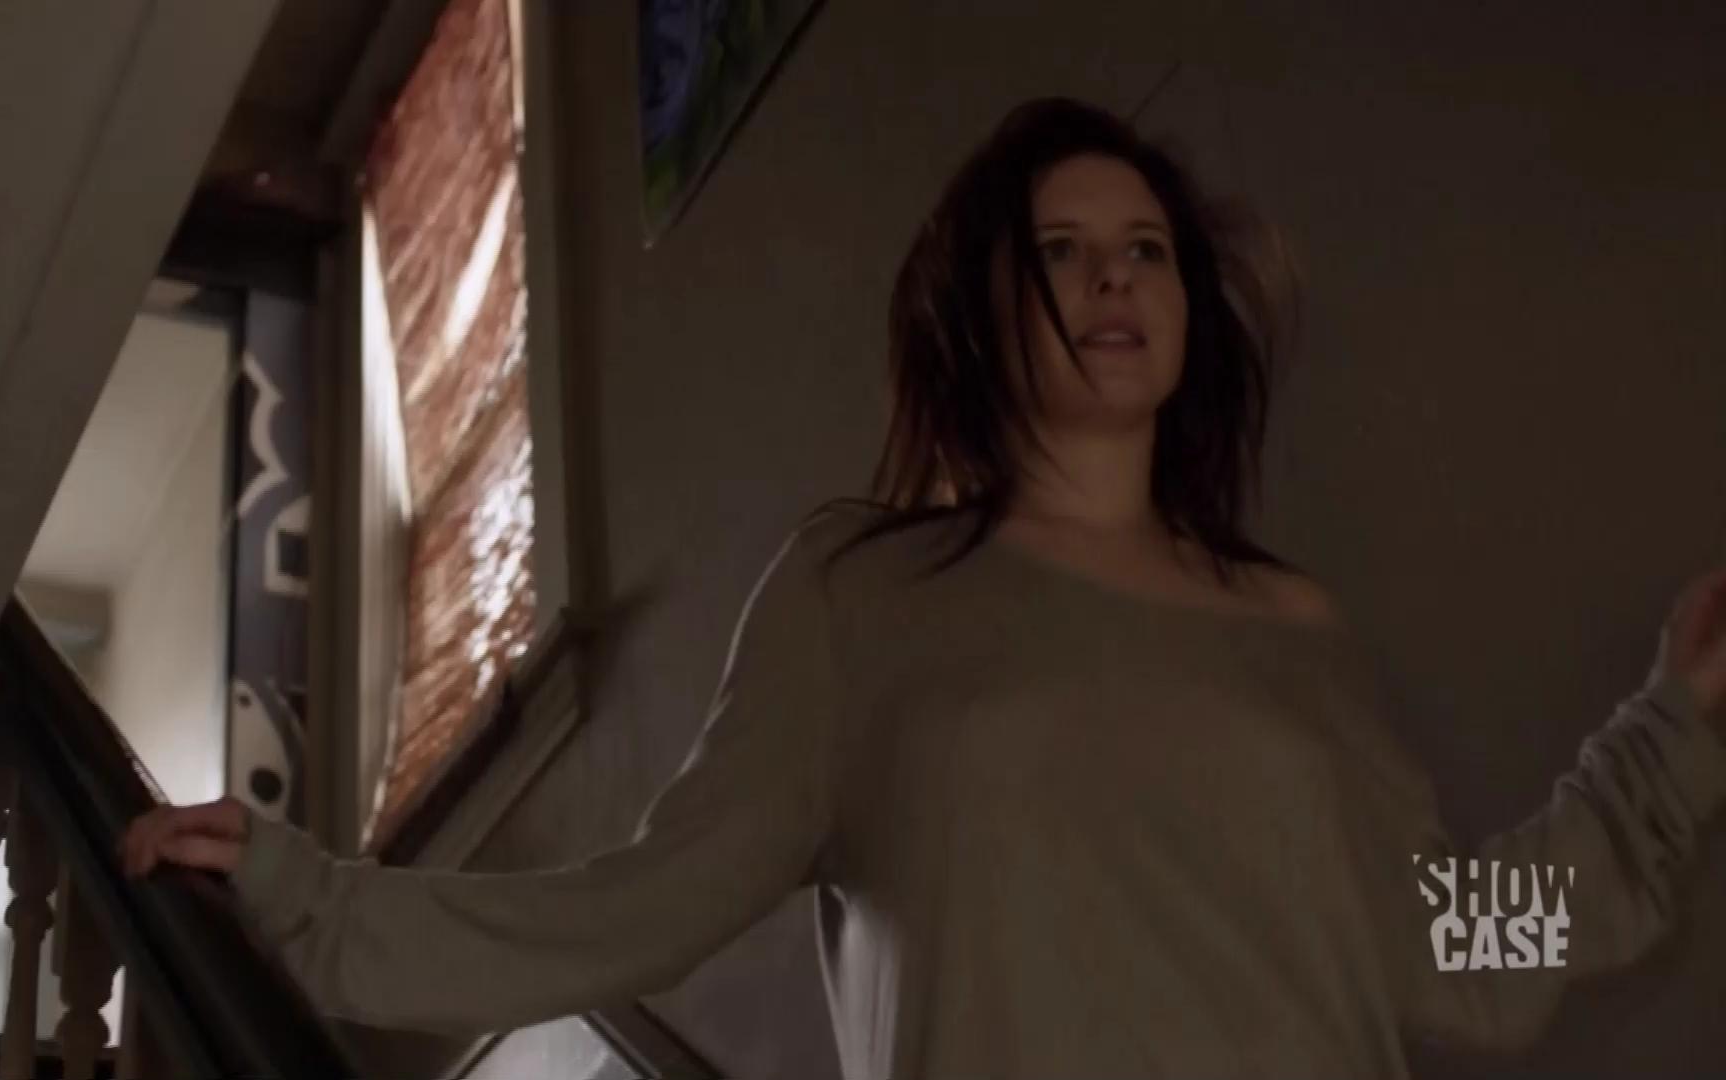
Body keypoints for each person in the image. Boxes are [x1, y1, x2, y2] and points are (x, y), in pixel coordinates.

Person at [120, 98, 1726, 1078]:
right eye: (1061, 248)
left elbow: (1454, 951)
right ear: (978, 301)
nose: (1113, 275)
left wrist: (1669, 736)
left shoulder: (1291, 626)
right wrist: (309, 899)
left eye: (1147, 248)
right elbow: (639, 906)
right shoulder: (859, 597)